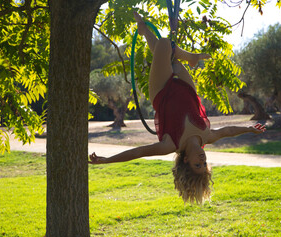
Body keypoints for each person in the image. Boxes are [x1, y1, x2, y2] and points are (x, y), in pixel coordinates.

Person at [89, 12, 266, 204]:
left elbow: (138, 152)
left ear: (186, 161)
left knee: (164, 45)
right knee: (171, 61)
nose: (202, 158)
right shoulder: (207, 136)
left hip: (161, 91)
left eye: (198, 164)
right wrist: (249, 128)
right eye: (204, 164)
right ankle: (144, 30)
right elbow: (228, 131)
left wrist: (106, 160)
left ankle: (185, 54)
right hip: (187, 90)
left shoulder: (170, 145)